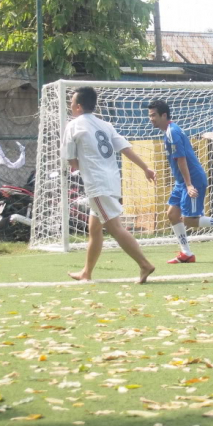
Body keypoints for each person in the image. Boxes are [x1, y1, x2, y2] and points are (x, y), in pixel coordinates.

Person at [62, 87, 156, 283]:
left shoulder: (73, 125)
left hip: (96, 184)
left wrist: (78, 168)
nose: (70, 107)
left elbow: (71, 161)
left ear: (78, 106)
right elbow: (125, 148)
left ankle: (144, 264)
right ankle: (86, 272)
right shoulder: (105, 124)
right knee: (94, 230)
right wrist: (145, 168)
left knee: (115, 228)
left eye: (71, 103)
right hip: (112, 181)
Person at [148, 99, 213, 263]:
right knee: (172, 214)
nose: (151, 119)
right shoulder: (170, 131)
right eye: (150, 115)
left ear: (164, 115)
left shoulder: (173, 132)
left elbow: (181, 159)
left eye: (153, 115)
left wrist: (189, 184)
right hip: (182, 181)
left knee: (190, 220)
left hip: (192, 180)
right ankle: (187, 253)